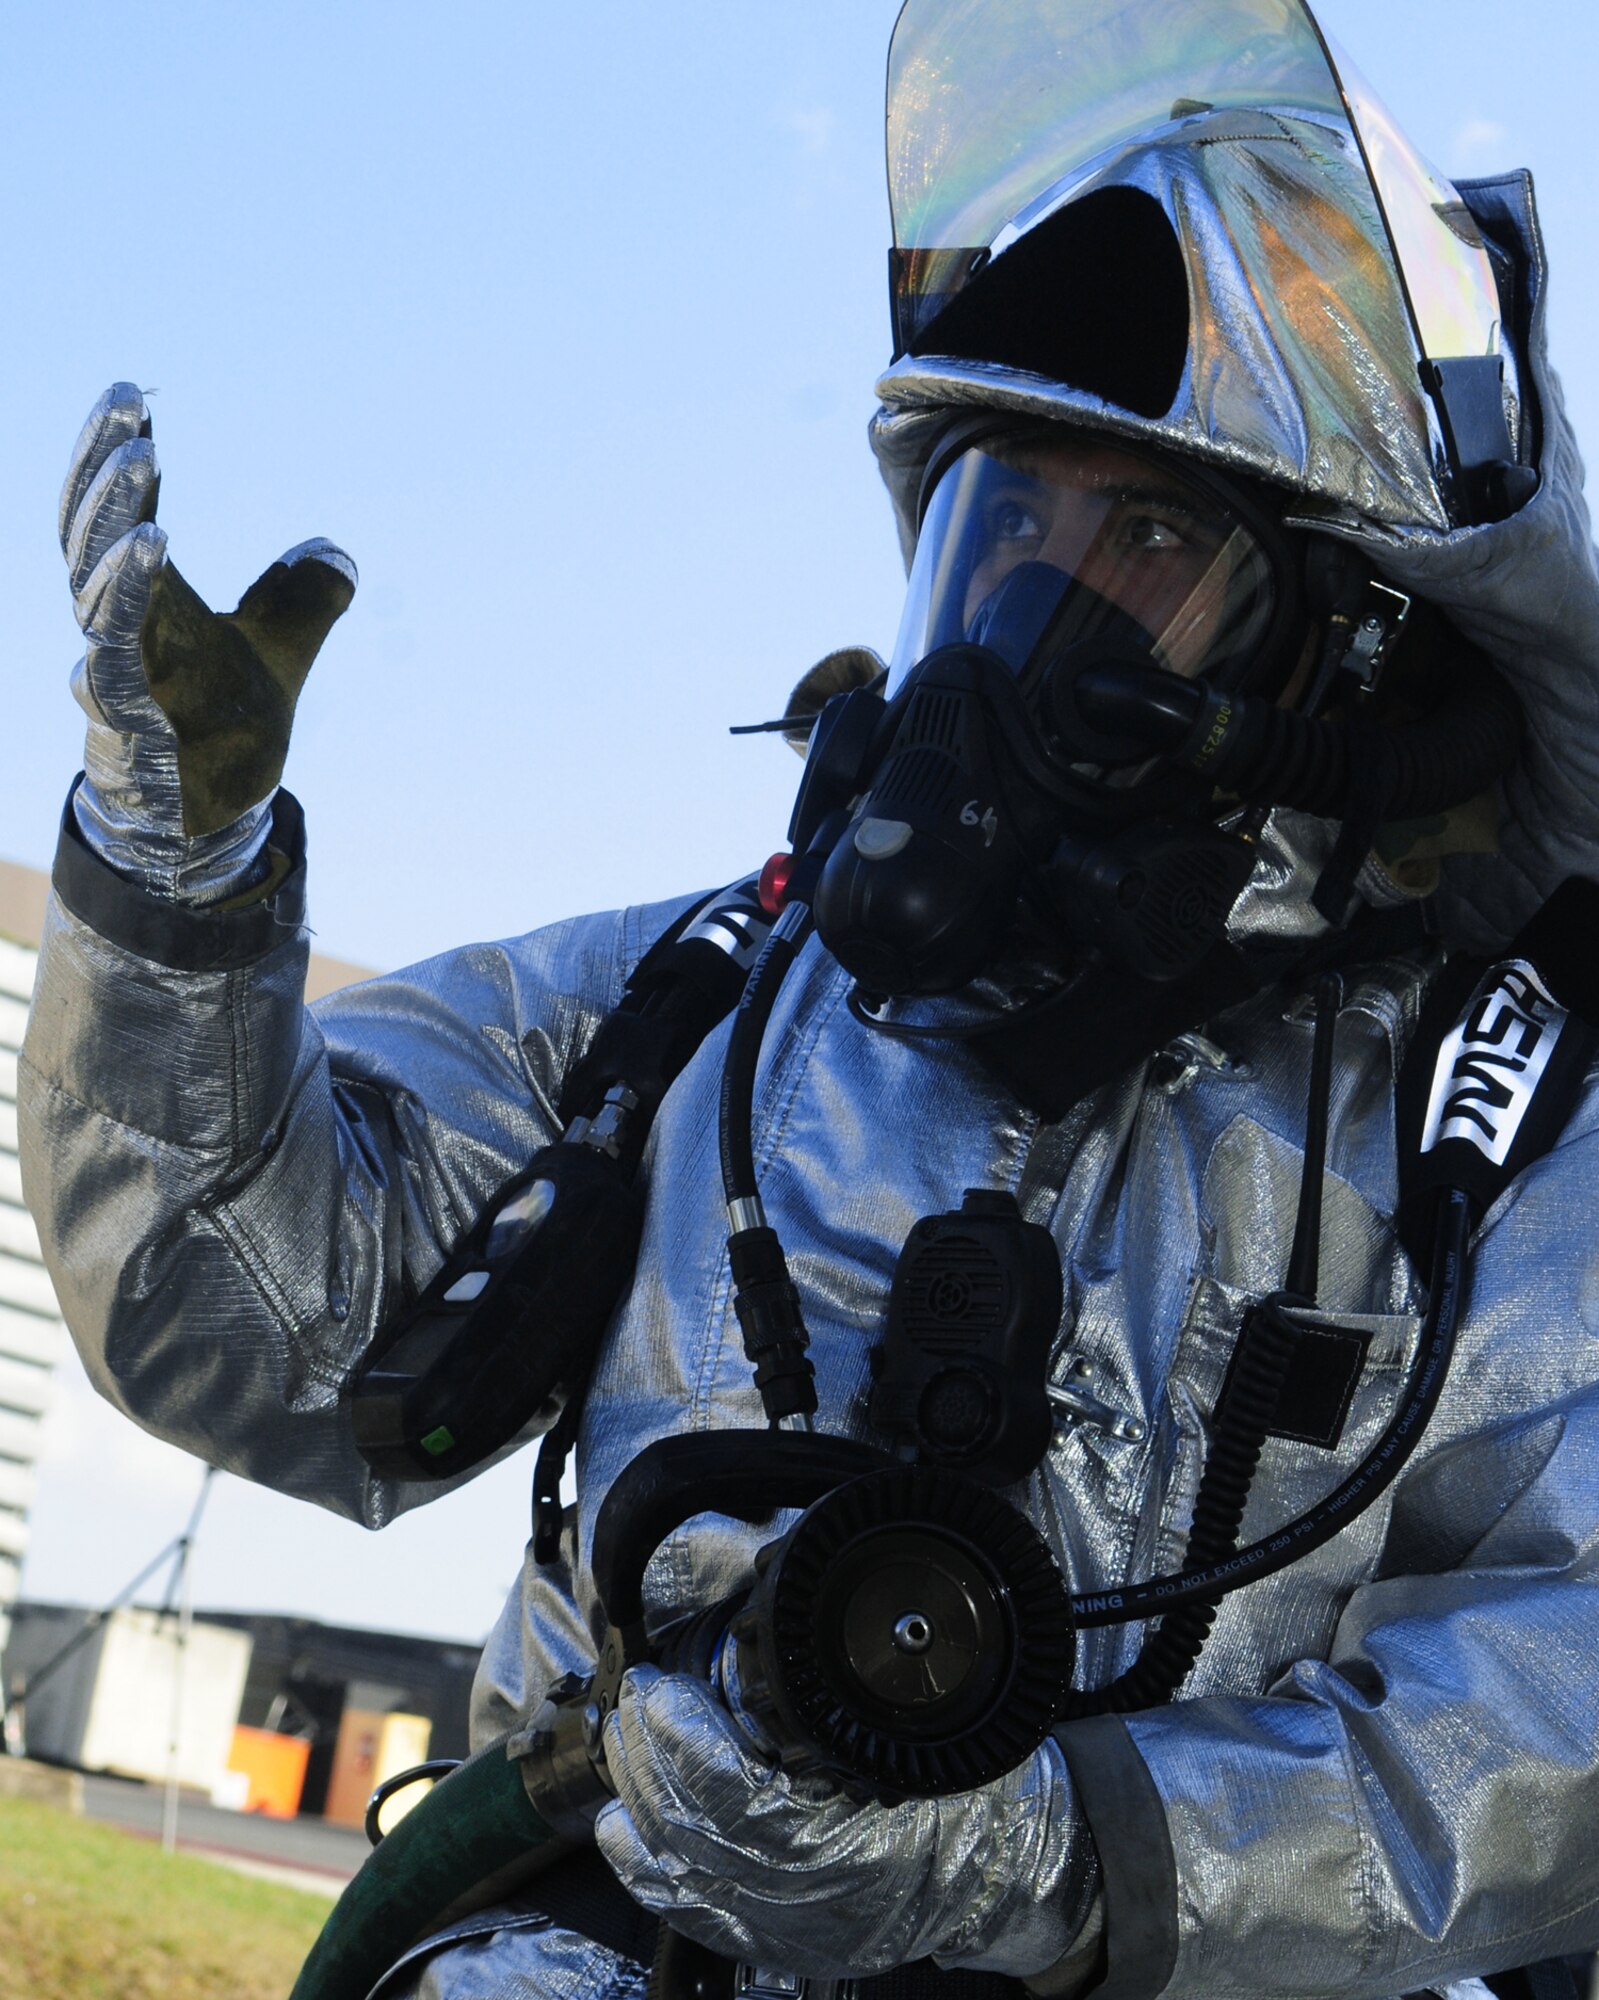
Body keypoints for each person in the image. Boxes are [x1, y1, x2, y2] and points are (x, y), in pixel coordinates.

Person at [20, 2, 1599, 1997]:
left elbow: (1561, 1713)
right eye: (997, 532)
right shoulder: (697, 1000)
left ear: (1340, 654)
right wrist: (174, 896)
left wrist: (1058, 1864)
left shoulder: (1494, 1141)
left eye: (1144, 542)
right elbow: (226, 1316)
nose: (1031, 621)